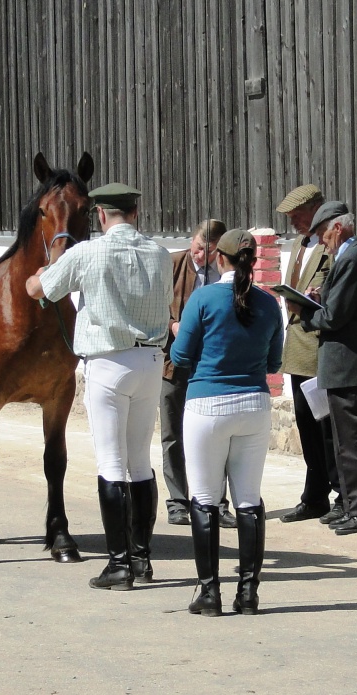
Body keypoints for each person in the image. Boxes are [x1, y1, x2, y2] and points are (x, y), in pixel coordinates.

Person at [25, 182, 172, 591]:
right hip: (150, 360)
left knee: (110, 463)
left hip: (108, 361)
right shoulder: (159, 254)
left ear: (101, 215)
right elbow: (164, 300)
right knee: (139, 462)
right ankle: (141, 558)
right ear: (135, 213)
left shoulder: (87, 252)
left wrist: (37, 277)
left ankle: (119, 564)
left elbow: (40, 290)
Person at [170, 228, 284, 616]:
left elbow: (181, 356)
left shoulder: (203, 298)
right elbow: (273, 362)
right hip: (254, 404)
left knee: (204, 498)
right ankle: (248, 593)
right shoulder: (269, 303)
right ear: (253, 261)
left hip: (206, 404)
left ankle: (209, 592)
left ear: (220, 258)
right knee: (249, 499)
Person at [290, 202, 357, 536]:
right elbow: (337, 306)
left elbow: (334, 317)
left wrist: (305, 311)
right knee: (345, 442)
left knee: (355, 441)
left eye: (323, 233)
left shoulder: (354, 259)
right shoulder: (347, 258)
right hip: (344, 366)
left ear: (338, 227)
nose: (321, 241)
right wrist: (319, 298)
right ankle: (352, 506)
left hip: (351, 366)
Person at [160, 219, 237, 529]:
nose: (201, 255)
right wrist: (172, 325)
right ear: (191, 240)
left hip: (212, 365)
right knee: (172, 433)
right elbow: (153, 304)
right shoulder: (171, 264)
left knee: (217, 435)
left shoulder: (226, 274)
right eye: (197, 247)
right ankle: (178, 502)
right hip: (173, 361)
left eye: (209, 251)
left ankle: (218, 504)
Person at [274, 184, 344, 524]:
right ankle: (315, 496)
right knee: (307, 427)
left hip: (320, 348)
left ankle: (343, 494)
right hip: (297, 349)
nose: (294, 223)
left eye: (298, 216)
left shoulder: (333, 247)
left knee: (329, 429)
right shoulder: (299, 245)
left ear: (316, 210)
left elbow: (336, 295)